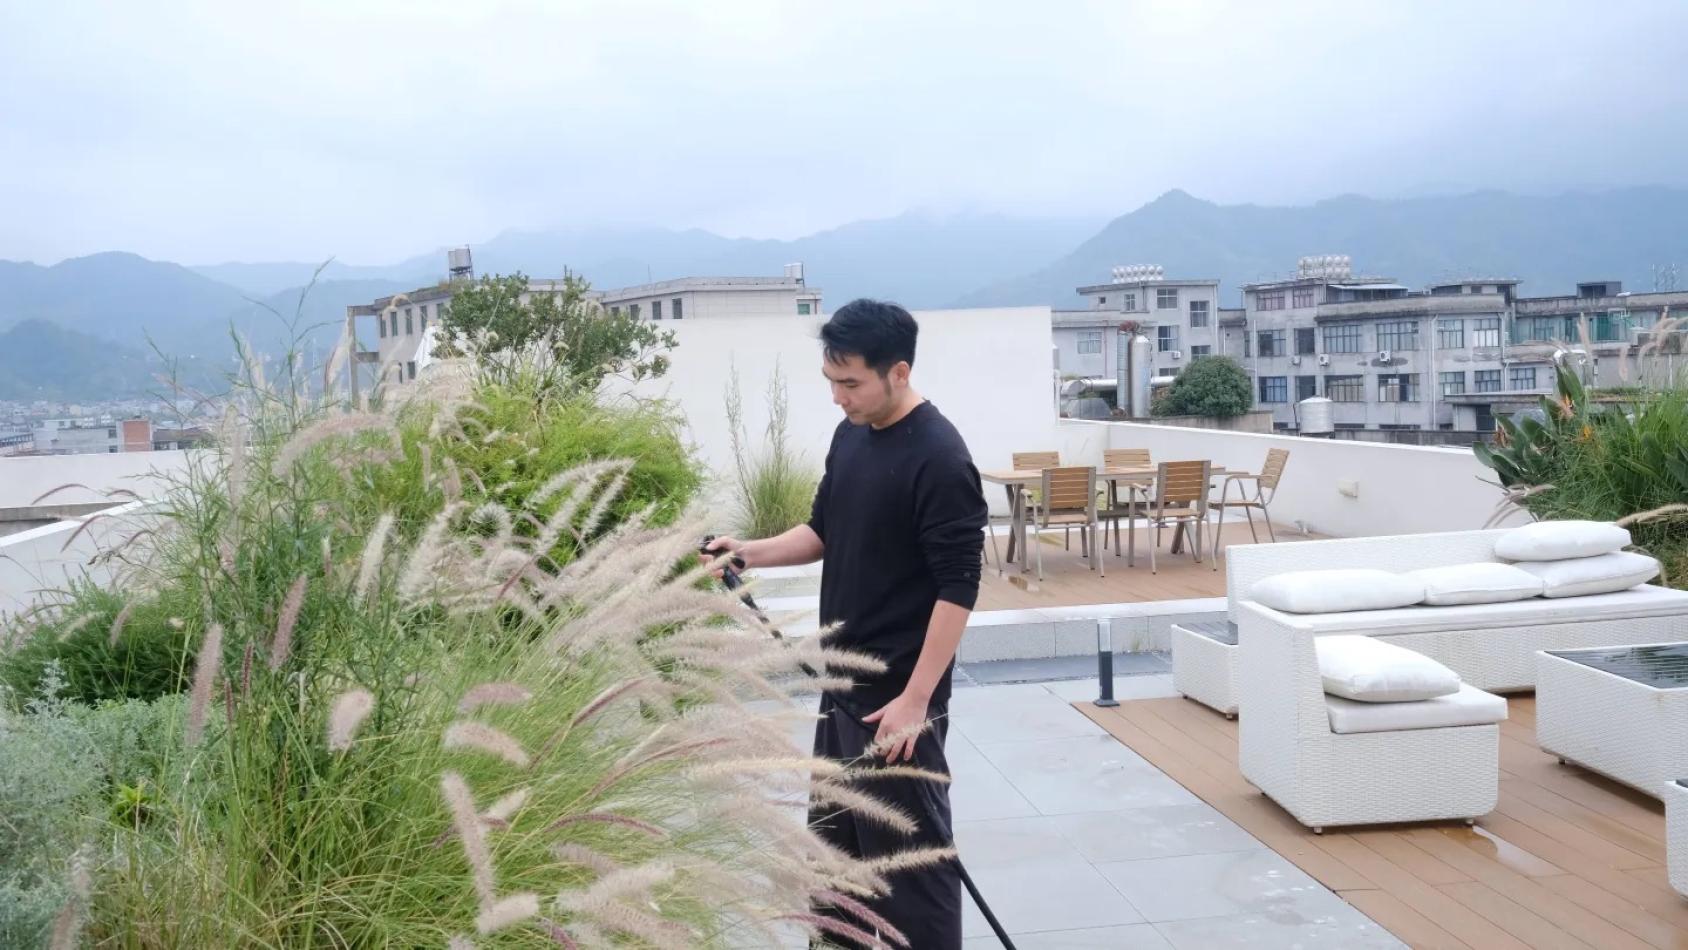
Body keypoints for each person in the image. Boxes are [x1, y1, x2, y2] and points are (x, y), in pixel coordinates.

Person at [705, 298, 987, 949]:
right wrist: (746, 552)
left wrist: (915, 701)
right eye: (831, 381)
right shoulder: (851, 435)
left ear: (899, 371)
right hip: (841, 692)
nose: (838, 397)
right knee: (835, 873)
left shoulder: (941, 458)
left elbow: (958, 587)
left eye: (851, 382)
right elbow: (821, 531)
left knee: (914, 877)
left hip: (898, 709)